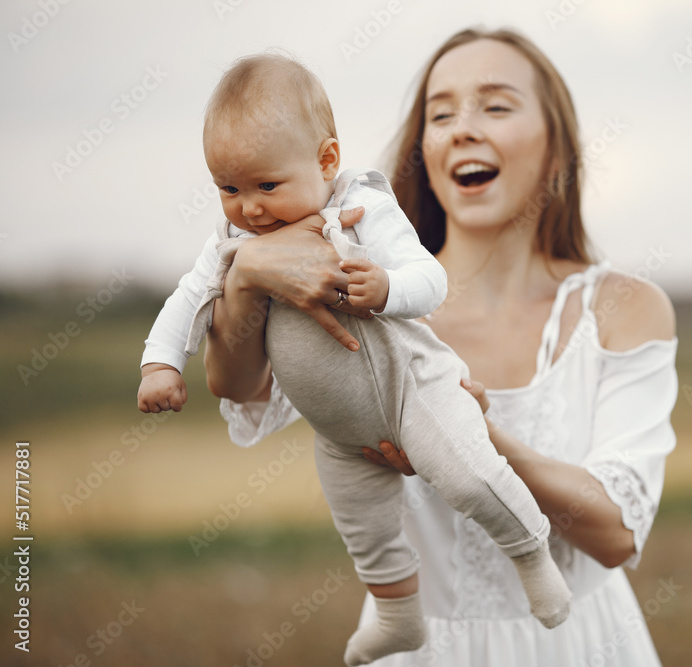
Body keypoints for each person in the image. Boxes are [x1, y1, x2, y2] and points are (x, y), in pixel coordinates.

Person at [204, 29, 678, 666]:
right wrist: (247, 273)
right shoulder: (354, 281)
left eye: (497, 106)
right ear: (424, 148)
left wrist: (477, 435)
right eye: (442, 113)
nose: (463, 129)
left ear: (556, 143)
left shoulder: (624, 308)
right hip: (417, 647)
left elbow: (618, 534)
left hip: (580, 644)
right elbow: (235, 386)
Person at [136, 53, 572, 666]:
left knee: (470, 478)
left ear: (326, 162)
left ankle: (530, 553)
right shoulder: (233, 244)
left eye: (266, 185)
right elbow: (187, 299)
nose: (250, 208)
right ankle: (397, 616)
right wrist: (160, 364)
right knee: (364, 530)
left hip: (414, 390)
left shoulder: (360, 210)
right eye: (228, 189)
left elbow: (430, 278)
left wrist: (387, 290)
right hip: (340, 432)